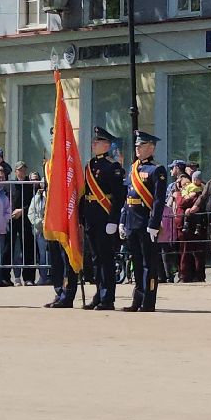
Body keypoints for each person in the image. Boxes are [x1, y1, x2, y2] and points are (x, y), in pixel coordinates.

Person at [120, 130, 168, 312]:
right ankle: (136, 300)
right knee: (137, 263)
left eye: (141, 146)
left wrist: (154, 224)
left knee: (149, 264)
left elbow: (158, 199)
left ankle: (148, 302)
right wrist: (122, 221)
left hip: (146, 223)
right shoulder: (133, 169)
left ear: (151, 147)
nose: (137, 149)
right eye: (136, 146)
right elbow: (127, 197)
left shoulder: (157, 170)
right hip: (132, 222)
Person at [80, 127, 126, 310]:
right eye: (93, 142)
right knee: (95, 258)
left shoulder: (113, 167)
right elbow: (85, 193)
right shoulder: (90, 165)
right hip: (91, 215)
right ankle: (98, 294)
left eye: (97, 142)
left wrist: (114, 220)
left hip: (104, 216)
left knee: (106, 258)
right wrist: (81, 216)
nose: (93, 144)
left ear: (106, 145)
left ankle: (108, 298)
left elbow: (118, 195)